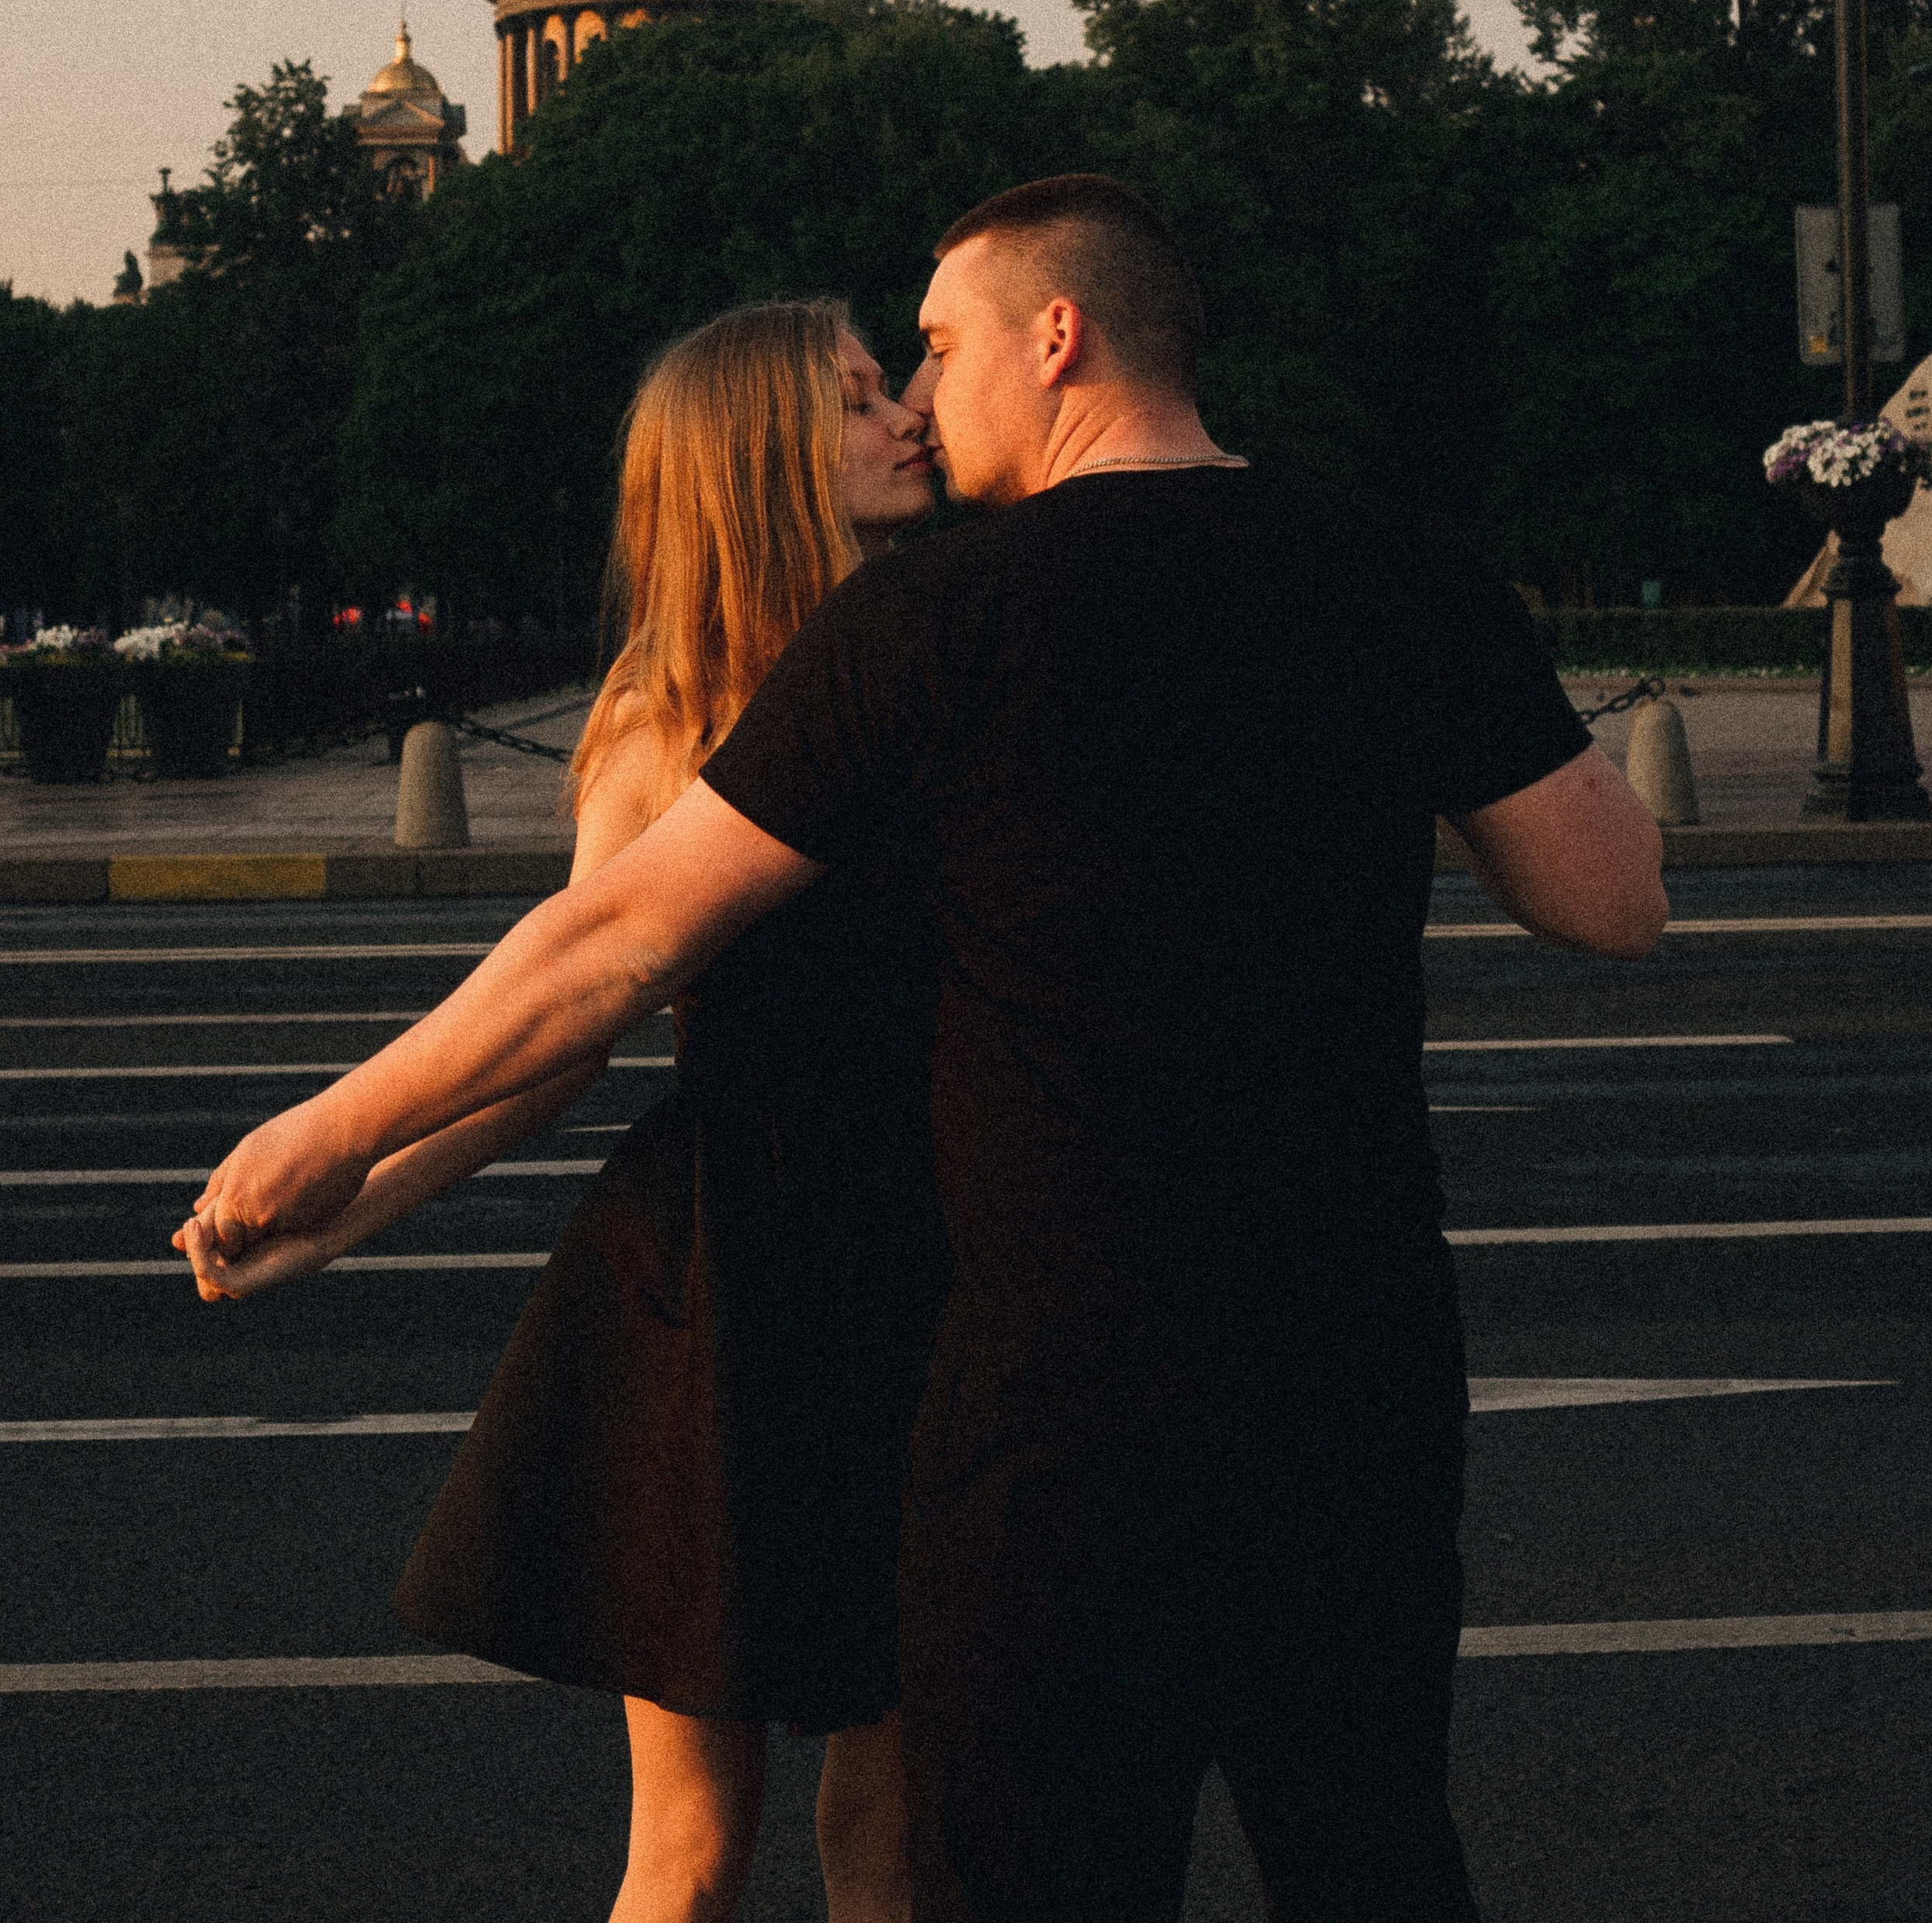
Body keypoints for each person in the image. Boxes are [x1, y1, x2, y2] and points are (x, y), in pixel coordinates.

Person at [182, 174, 1667, 1923]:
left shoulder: (933, 620)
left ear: (1059, 338)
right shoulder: (1404, 568)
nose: (924, 394)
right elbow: (1610, 906)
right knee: (1363, 1847)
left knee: (1026, 1860)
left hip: (1048, 1373)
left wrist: (329, 1133)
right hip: (1348, 1355)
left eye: (941, 348)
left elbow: (618, 940)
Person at [179, 302, 949, 1923]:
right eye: (864, 395)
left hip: (933, 1262)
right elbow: (563, 1026)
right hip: (725, 1285)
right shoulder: (663, 715)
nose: (912, 416)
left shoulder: (940, 650)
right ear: (762, 455)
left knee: (893, 1832)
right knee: (687, 1850)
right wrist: (347, 1211)